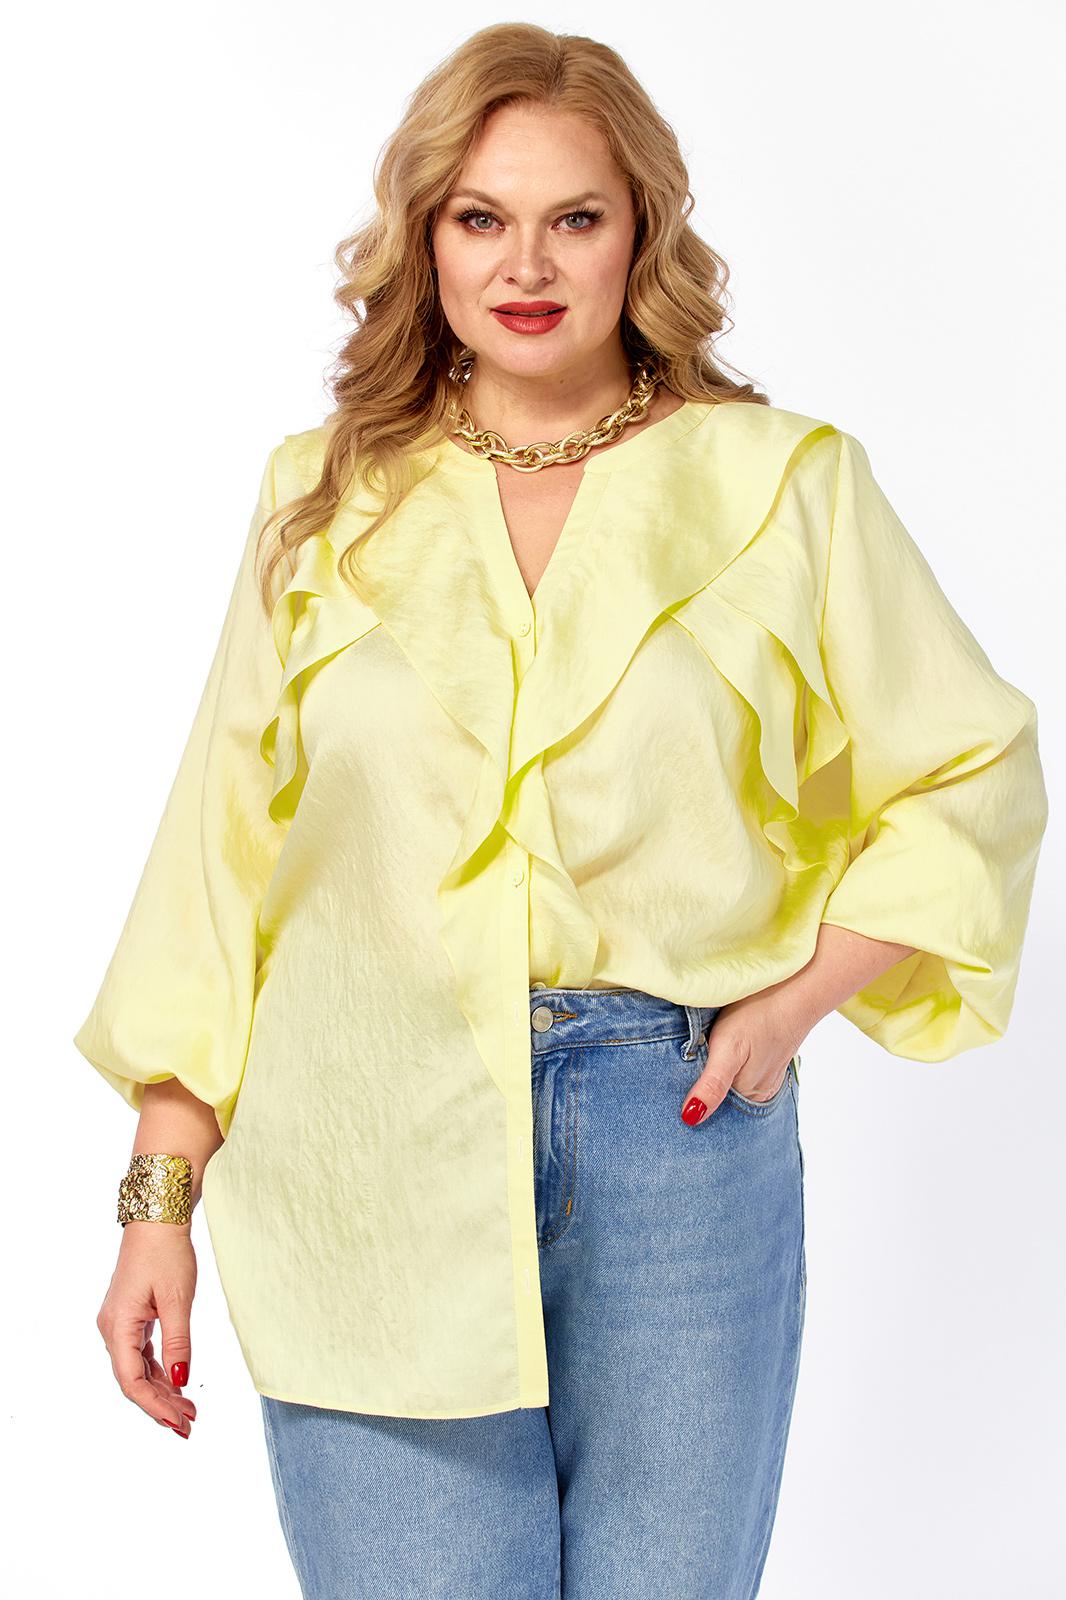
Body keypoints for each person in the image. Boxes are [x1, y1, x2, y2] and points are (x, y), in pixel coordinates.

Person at [73, 22, 1049, 1600]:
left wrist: (789, 1005)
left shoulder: (780, 484)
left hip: (677, 1139)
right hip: (366, 1143)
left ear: (638, 233)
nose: (524, 265)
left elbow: (969, 764)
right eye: (480, 217)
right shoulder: (323, 499)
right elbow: (216, 865)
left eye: (573, 218)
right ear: (425, 239)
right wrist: (157, 1201)